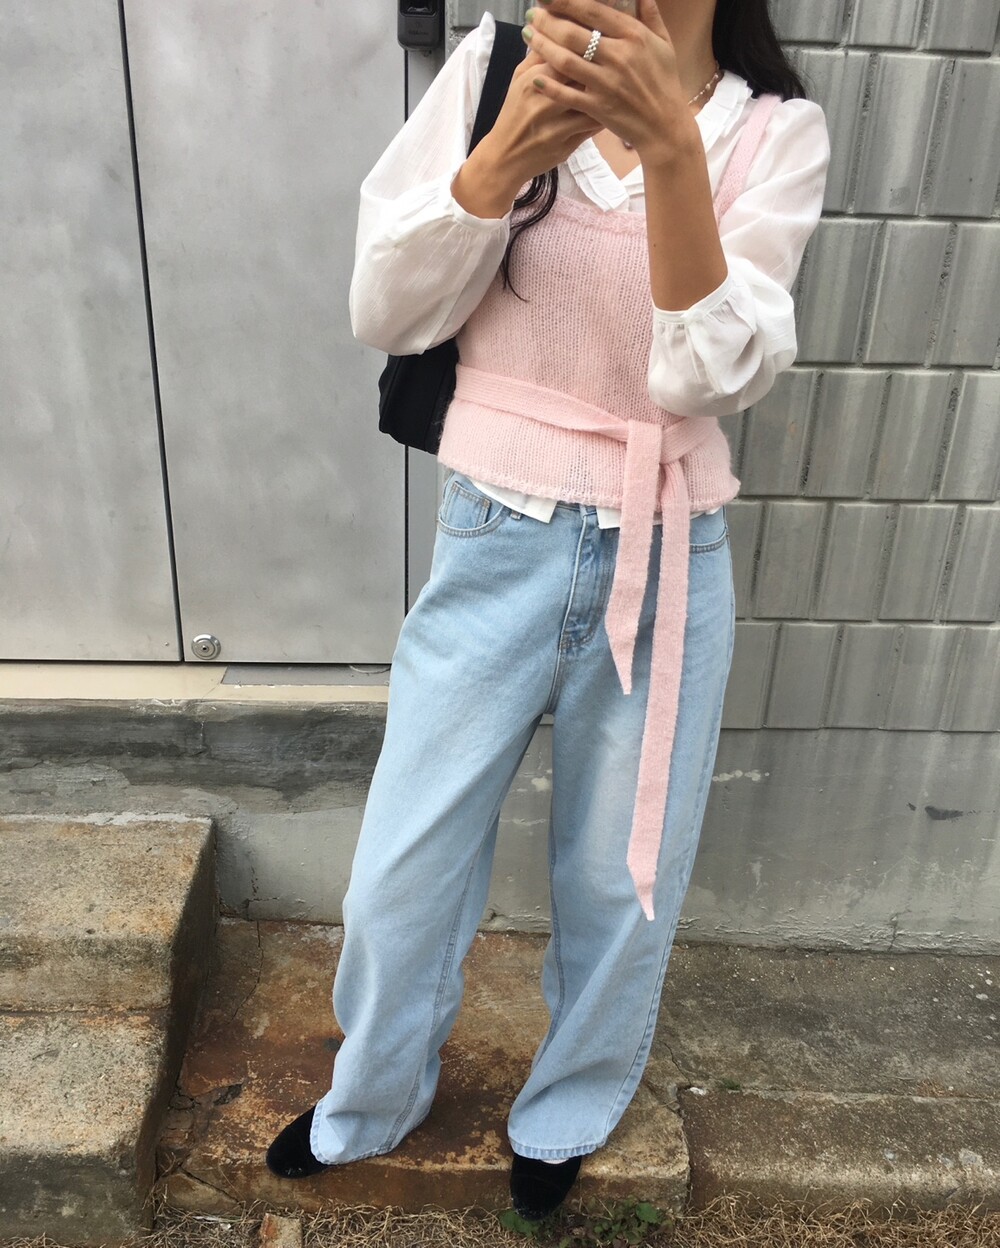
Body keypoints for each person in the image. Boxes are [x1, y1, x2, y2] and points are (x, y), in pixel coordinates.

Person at [267, 0, 830, 1221]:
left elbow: (706, 376)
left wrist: (670, 151)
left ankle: (567, 1108)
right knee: (402, 869)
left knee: (622, 876)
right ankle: (372, 1097)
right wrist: (504, 154)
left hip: (666, 546)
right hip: (496, 535)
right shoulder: (496, 65)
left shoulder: (773, 135)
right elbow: (386, 310)